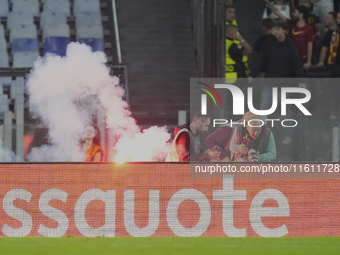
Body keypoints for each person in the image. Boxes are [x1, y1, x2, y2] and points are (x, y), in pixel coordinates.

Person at [249, 21, 306, 145]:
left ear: (284, 30)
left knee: (286, 111)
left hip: (284, 84)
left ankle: (288, 135)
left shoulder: (290, 45)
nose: (276, 31)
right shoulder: (269, 43)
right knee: (263, 109)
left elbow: (296, 64)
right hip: (270, 82)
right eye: (275, 29)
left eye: (278, 29)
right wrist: (253, 74)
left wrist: (301, 81)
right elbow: (262, 59)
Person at [265, 0, 315, 67]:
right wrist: (268, 2)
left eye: (295, 12)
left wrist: (308, 61)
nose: (292, 14)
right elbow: (277, 12)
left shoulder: (309, 28)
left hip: (303, 59)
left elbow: (310, 46)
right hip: (291, 57)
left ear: (301, 14)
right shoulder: (291, 24)